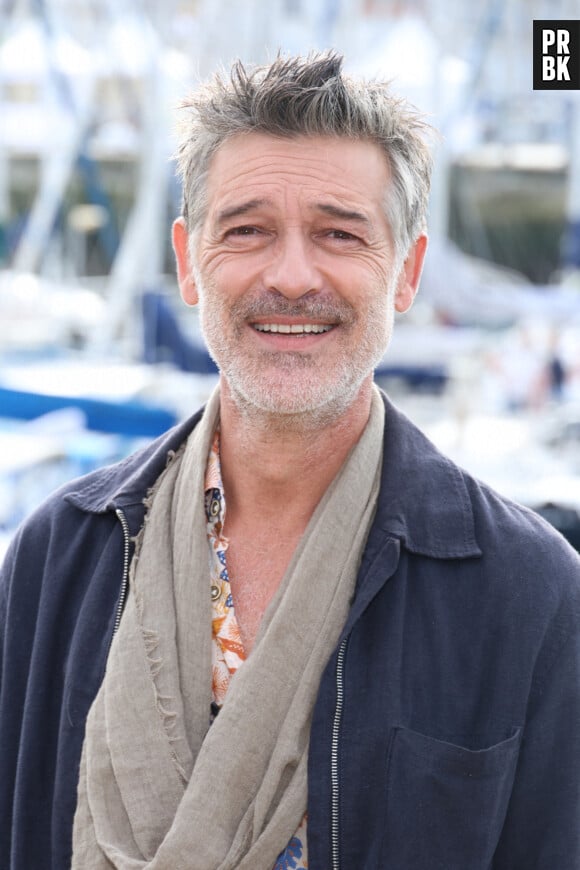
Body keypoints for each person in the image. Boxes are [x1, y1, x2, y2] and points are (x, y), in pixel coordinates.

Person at [1, 51, 579, 870]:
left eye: (340, 233)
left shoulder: (526, 592)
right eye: (247, 231)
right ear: (188, 260)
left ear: (406, 271)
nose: (293, 275)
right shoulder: (60, 555)